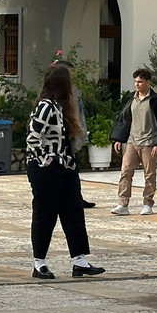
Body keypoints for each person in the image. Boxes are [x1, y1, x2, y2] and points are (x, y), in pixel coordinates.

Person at [25, 63, 105, 280]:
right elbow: (33, 137)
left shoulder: (61, 106)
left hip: (66, 166)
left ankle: (80, 261)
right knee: (45, 214)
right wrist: (45, 160)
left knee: (74, 211)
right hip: (47, 169)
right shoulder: (46, 106)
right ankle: (39, 262)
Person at [110, 68, 157, 216]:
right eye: (135, 81)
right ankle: (123, 203)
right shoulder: (131, 98)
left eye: (140, 81)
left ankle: (148, 203)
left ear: (148, 82)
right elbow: (124, 119)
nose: (137, 84)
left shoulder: (156, 100)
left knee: (149, 174)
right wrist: (119, 138)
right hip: (132, 141)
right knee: (126, 172)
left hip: (149, 143)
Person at [52, 57, 96, 208]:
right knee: (67, 170)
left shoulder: (74, 91)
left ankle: (75, 198)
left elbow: (80, 114)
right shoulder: (54, 95)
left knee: (73, 170)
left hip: (73, 134)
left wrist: (81, 134)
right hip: (62, 138)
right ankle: (68, 199)